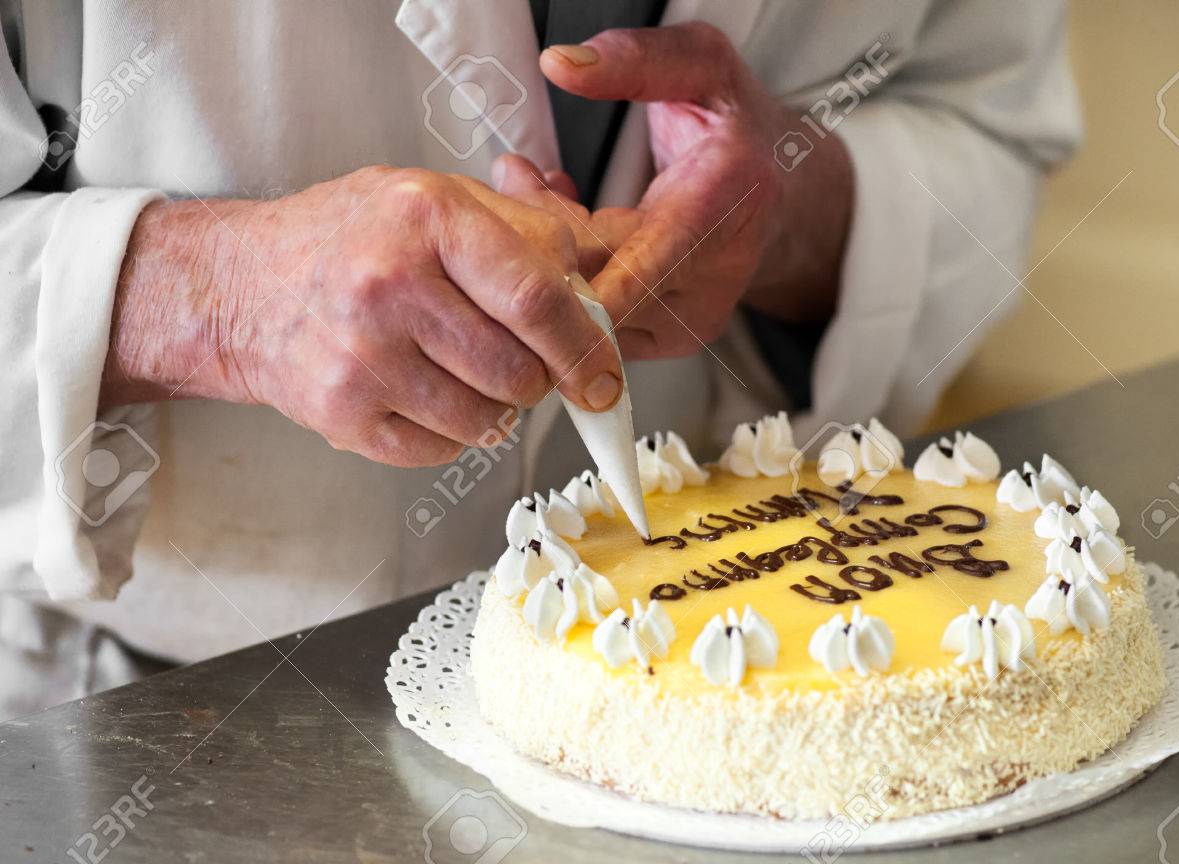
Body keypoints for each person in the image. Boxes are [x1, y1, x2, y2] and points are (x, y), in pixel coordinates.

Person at [0, 0, 1080, 718]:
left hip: (739, 692)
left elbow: (988, 120)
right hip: (156, 716)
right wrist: (215, 298)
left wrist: (791, 210)